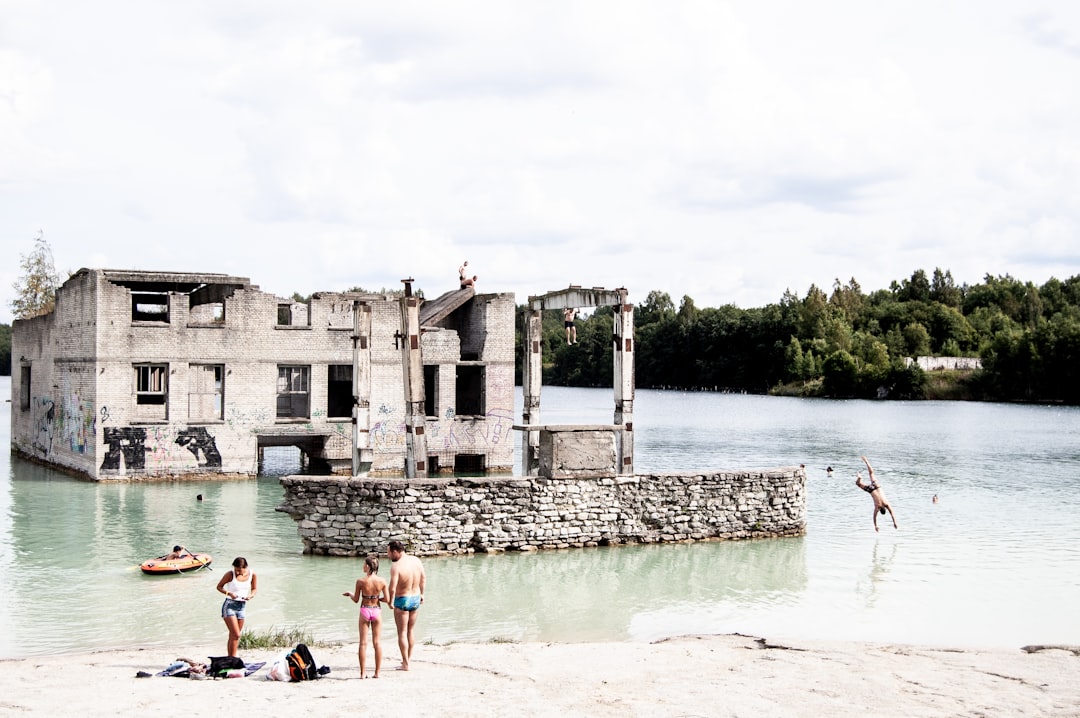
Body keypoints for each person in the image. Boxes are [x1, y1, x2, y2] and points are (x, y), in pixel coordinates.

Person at [343, 555, 391, 678]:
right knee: (377, 643)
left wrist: (350, 594)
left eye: (364, 564)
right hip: (376, 610)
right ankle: (377, 673)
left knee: (363, 643)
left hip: (365, 610)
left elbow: (356, 599)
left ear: (368, 566)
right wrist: (377, 598)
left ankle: (363, 673)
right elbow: (388, 599)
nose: (363, 566)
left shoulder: (361, 581)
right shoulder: (382, 581)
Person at [387, 540, 426, 671]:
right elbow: (423, 578)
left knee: (402, 632)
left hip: (402, 599)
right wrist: (422, 594)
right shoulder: (416, 561)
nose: (388, 556)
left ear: (395, 551)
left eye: (389, 553)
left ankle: (405, 664)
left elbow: (392, 588)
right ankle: (408, 660)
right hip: (415, 598)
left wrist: (390, 601)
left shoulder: (396, 566)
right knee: (410, 631)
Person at [216, 557, 257, 657]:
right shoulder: (230, 574)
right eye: (236, 570)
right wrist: (229, 593)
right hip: (229, 606)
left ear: (245, 567)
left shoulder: (252, 574)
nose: (237, 572)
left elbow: (254, 589)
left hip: (242, 606)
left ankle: (230, 658)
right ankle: (233, 658)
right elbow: (219, 587)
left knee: (234, 636)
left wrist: (251, 596)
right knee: (236, 634)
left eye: (239, 570)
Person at [854, 456, 898, 531]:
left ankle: (866, 461)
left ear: (885, 509)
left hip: (877, 487)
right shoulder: (877, 507)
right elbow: (874, 517)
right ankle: (859, 478)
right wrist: (875, 526)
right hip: (871, 490)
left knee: (871, 473)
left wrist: (895, 522)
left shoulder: (887, 504)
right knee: (858, 484)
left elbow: (892, 513)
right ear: (880, 510)